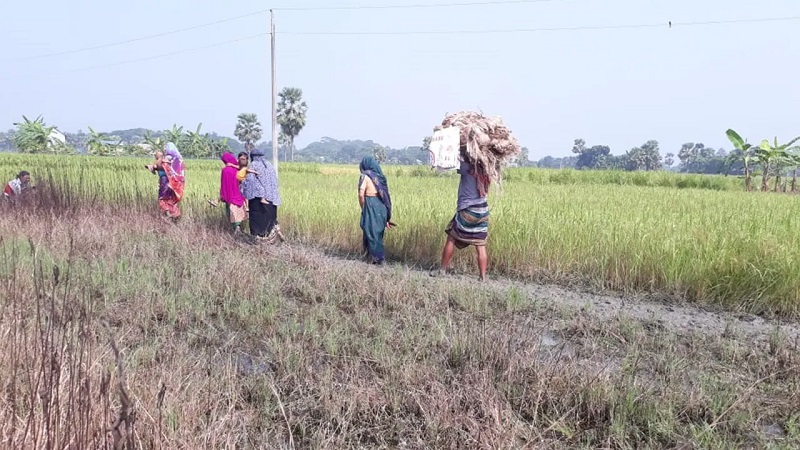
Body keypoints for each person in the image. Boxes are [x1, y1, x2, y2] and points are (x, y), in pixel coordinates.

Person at [431, 150, 490, 281]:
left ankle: (442, 270)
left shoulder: (467, 167)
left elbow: (451, 163)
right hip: (483, 210)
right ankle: (483, 277)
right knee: (480, 245)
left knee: (452, 237)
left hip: (468, 209)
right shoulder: (486, 169)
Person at [358, 156, 393, 265]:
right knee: (378, 232)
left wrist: (363, 206)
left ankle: (378, 258)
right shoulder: (380, 177)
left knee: (370, 231)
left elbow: (361, 194)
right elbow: (386, 195)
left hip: (371, 203)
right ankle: (372, 257)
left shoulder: (365, 176)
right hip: (382, 206)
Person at [241, 149, 282, 242]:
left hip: (257, 199)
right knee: (269, 220)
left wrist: (242, 186)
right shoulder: (270, 166)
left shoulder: (254, 165)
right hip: (271, 198)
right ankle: (271, 236)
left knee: (258, 221)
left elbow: (251, 182)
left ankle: (257, 239)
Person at [154, 143, 185, 220]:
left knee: (164, 198)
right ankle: (173, 215)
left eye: (165, 149)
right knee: (171, 199)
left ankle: (169, 215)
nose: (165, 150)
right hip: (176, 184)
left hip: (167, 182)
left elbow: (159, 165)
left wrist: (160, 158)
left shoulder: (168, 159)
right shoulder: (178, 159)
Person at [219, 152, 248, 233]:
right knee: (238, 212)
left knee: (230, 212)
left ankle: (235, 229)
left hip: (229, 195)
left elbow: (223, 184)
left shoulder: (225, 170)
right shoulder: (238, 170)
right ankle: (239, 228)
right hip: (238, 194)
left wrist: (222, 195)